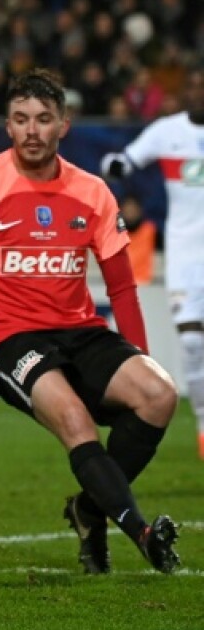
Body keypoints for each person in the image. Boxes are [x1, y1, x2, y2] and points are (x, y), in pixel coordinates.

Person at [0, 68, 181, 575]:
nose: (32, 130)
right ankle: (142, 533)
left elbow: (122, 288)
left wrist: (138, 355)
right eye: (21, 119)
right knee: (74, 420)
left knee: (159, 395)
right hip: (8, 336)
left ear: (63, 125)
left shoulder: (92, 192)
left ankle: (88, 510)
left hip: (79, 329)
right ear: (7, 126)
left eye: (43, 119)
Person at [104, 67, 204, 459]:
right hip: (184, 255)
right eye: (192, 86)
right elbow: (124, 160)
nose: (197, 93)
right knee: (193, 341)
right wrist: (114, 169)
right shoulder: (166, 132)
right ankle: (202, 425)